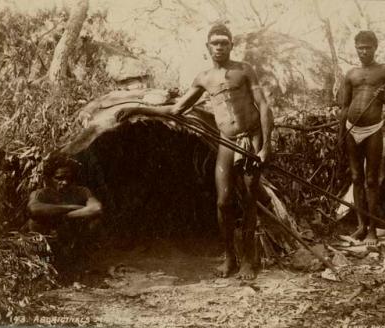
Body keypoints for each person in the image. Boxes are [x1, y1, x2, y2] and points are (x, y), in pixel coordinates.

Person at [115, 24, 273, 280]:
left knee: (248, 201)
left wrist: (266, 146)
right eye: (215, 43)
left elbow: (264, 106)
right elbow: (177, 110)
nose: (220, 47)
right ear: (207, 47)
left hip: (251, 139)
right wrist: (139, 110)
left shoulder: (244, 70)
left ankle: (248, 261)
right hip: (226, 140)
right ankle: (229, 257)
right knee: (223, 201)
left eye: (224, 42)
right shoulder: (203, 78)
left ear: (231, 45)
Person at [339, 31, 385, 245]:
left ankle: (373, 230)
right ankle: (360, 226)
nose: (363, 51)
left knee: (371, 179)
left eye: (367, 47)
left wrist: (383, 96)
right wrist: (340, 133)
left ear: (375, 48)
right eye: (360, 47)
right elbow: (345, 106)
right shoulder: (351, 74)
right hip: (350, 129)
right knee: (356, 177)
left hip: (373, 129)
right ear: (355, 48)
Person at [26, 154, 103, 256]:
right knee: (34, 222)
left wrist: (67, 216)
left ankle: (83, 253)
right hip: (51, 236)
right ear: (49, 179)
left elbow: (96, 208)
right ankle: (44, 256)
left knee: (95, 221)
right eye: (59, 178)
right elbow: (33, 209)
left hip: (73, 235)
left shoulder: (81, 191)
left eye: (69, 178)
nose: (65, 182)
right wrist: (72, 207)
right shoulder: (41, 193)